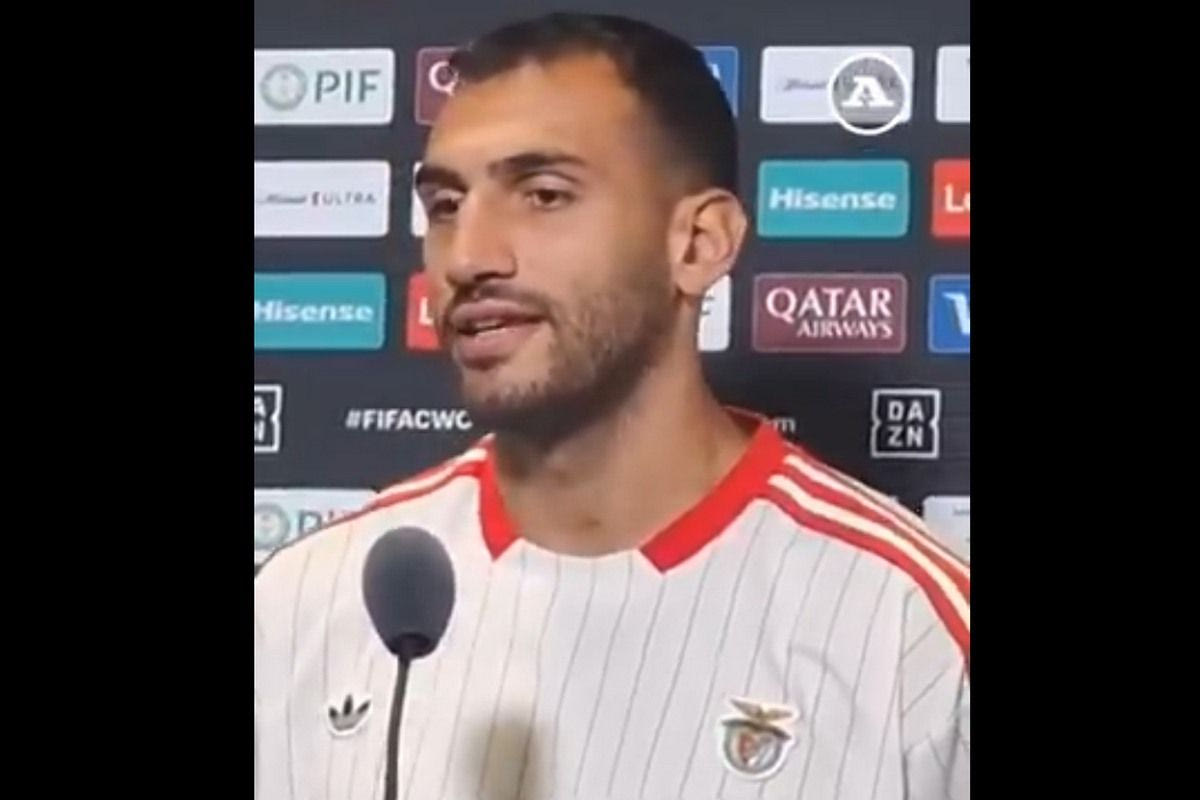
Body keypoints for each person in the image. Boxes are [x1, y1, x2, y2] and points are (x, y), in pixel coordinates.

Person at [254, 12, 969, 800]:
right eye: (447, 205)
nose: (468, 257)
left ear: (698, 243)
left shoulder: (912, 632)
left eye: (544, 195)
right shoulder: (302, 602)